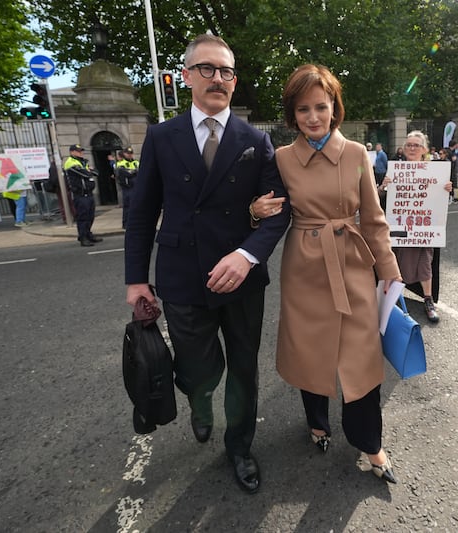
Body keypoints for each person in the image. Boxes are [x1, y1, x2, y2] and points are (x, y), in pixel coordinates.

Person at [124, 34, 290, 494]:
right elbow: (140, 213)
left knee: (242, 369)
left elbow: (280, 211)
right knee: (199, 370)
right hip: (181, 276)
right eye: (207, 69)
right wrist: (136, 279)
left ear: (234, 82)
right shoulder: (161, 137)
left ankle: (239, 447)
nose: (218, 79)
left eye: (226, 72)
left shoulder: (256, 140)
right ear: (186, 76)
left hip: (241, 279)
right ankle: (199, 400)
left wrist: (246, 254)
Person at [252, 64, 402, 484]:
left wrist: (388, 270)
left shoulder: (356, 153)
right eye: (303, 109)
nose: (313, 117)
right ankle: (317, 423)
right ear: (292, 114)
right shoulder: (281, 158)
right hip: (304, 266)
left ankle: (370, 442)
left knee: (361, 356)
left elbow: (372, 218)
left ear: (335, 106)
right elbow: (266, 208)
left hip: (352, 263)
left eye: (321, 106)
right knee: (311, 350)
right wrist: (253, 210)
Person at [379, 131, 451, 323]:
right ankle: (390, 299)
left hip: (422, 228)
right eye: (409, 145)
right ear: (403, 148)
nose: (412, 148)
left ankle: (428, 300)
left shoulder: (435, 173)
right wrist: (383, 186)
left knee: (425, 261)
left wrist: (446, 190)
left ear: (424, 150)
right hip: (398, 227)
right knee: (394, 259)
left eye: (416, 145)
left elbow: (441, 202)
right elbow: (378, 199)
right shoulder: (395, 170)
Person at [63, 144, 102, 247]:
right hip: (79, 194)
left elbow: (96, 173)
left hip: (88, 193)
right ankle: (83, 237)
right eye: (78, 151)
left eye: (81, 151)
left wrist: (89, 170)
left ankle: (88, 234)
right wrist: (89, 170)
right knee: (83, 217)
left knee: (90, 216)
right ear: (72, 152)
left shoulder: (83, 162)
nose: (81, 153)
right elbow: (85, 174)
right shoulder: (70, 162)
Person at [116, 147, 139, 229]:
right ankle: (126, 223)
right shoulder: (121, 163)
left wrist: (133, 171)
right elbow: (127, 173)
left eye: (131, 153)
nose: (129, 155)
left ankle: (135, 222)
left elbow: (140, 171)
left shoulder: (136, 162)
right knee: (128, 207)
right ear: (124, 154)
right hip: (128, 188)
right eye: (128, 153)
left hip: (136, 187)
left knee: (136, 206)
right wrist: (135, 171)